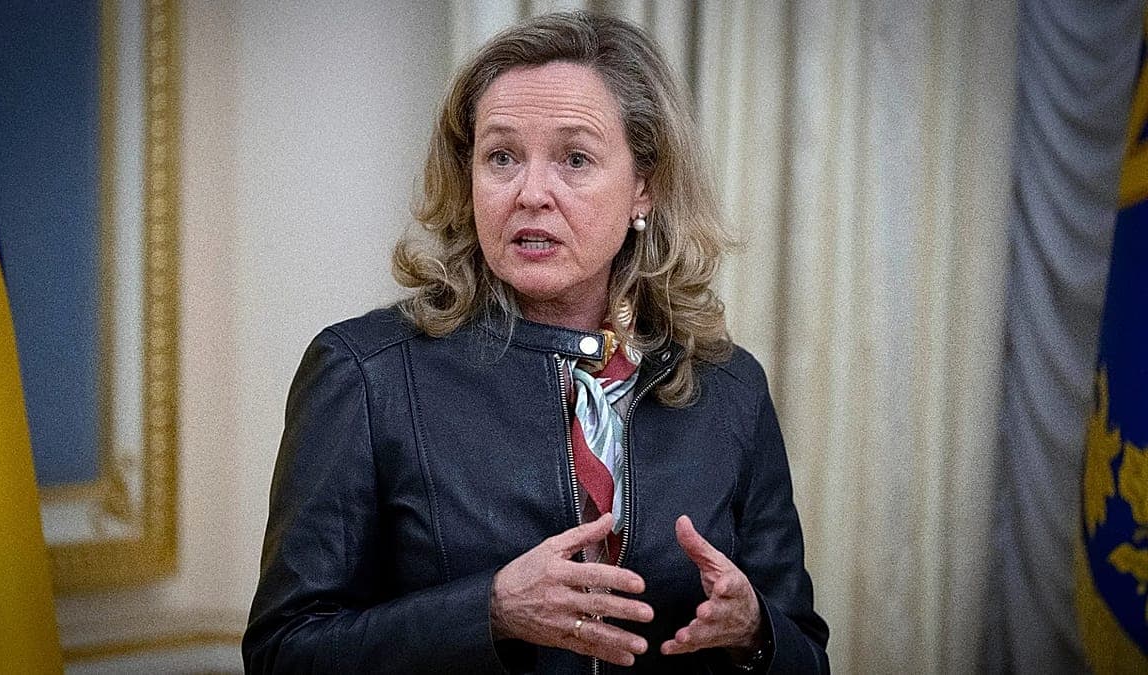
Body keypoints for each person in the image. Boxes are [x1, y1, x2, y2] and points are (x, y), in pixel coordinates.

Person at [243, 10, 828, 674]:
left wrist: (755, 631)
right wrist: (489, 610)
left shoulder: (729, 386)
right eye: (502, 157)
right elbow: (282, 654)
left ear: (644, 186)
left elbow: (809, 653)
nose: (531, 194)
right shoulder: (364, 373)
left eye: (575, 159)